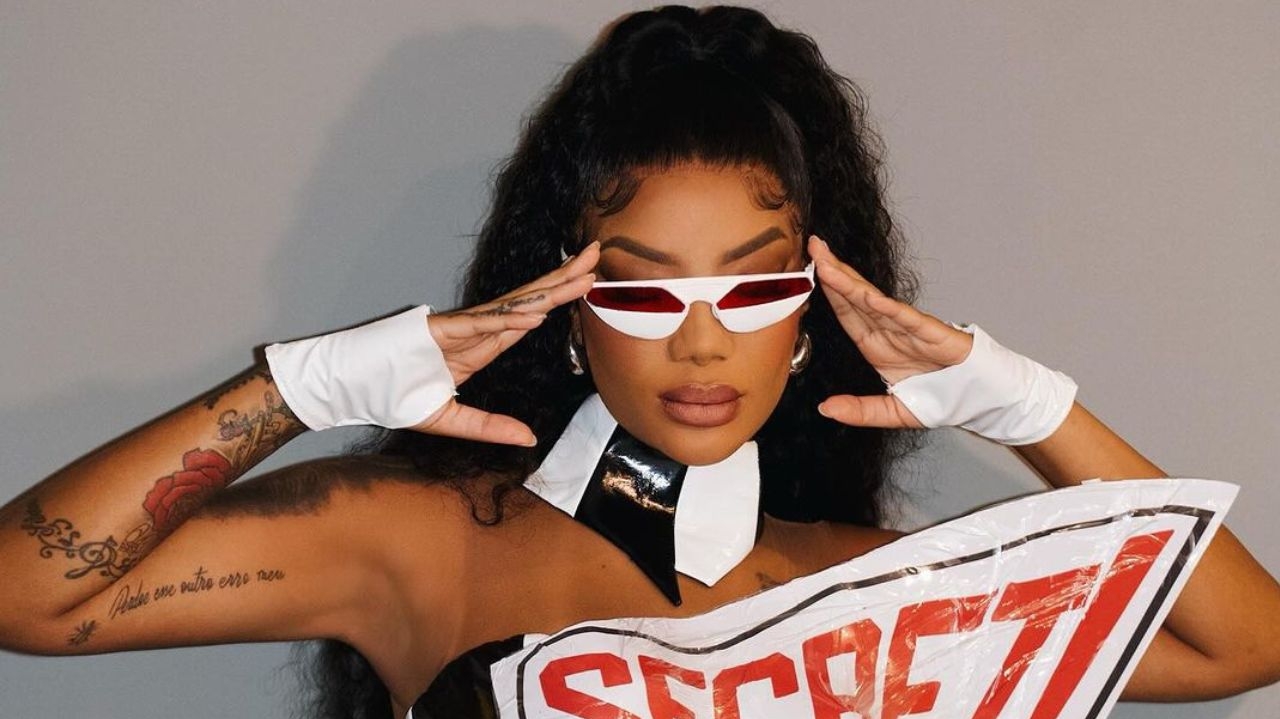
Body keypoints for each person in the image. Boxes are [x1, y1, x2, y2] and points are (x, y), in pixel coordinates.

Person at [1, 6, 1278, 719]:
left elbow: (1240, 643)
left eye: (752, 285)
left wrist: (1028, 405)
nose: (701, 338)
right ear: (570, 306)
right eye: (643, 286)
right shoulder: (419, 539)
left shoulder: (871, 585)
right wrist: (300, 389)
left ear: (810, 312)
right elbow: (24, 596)